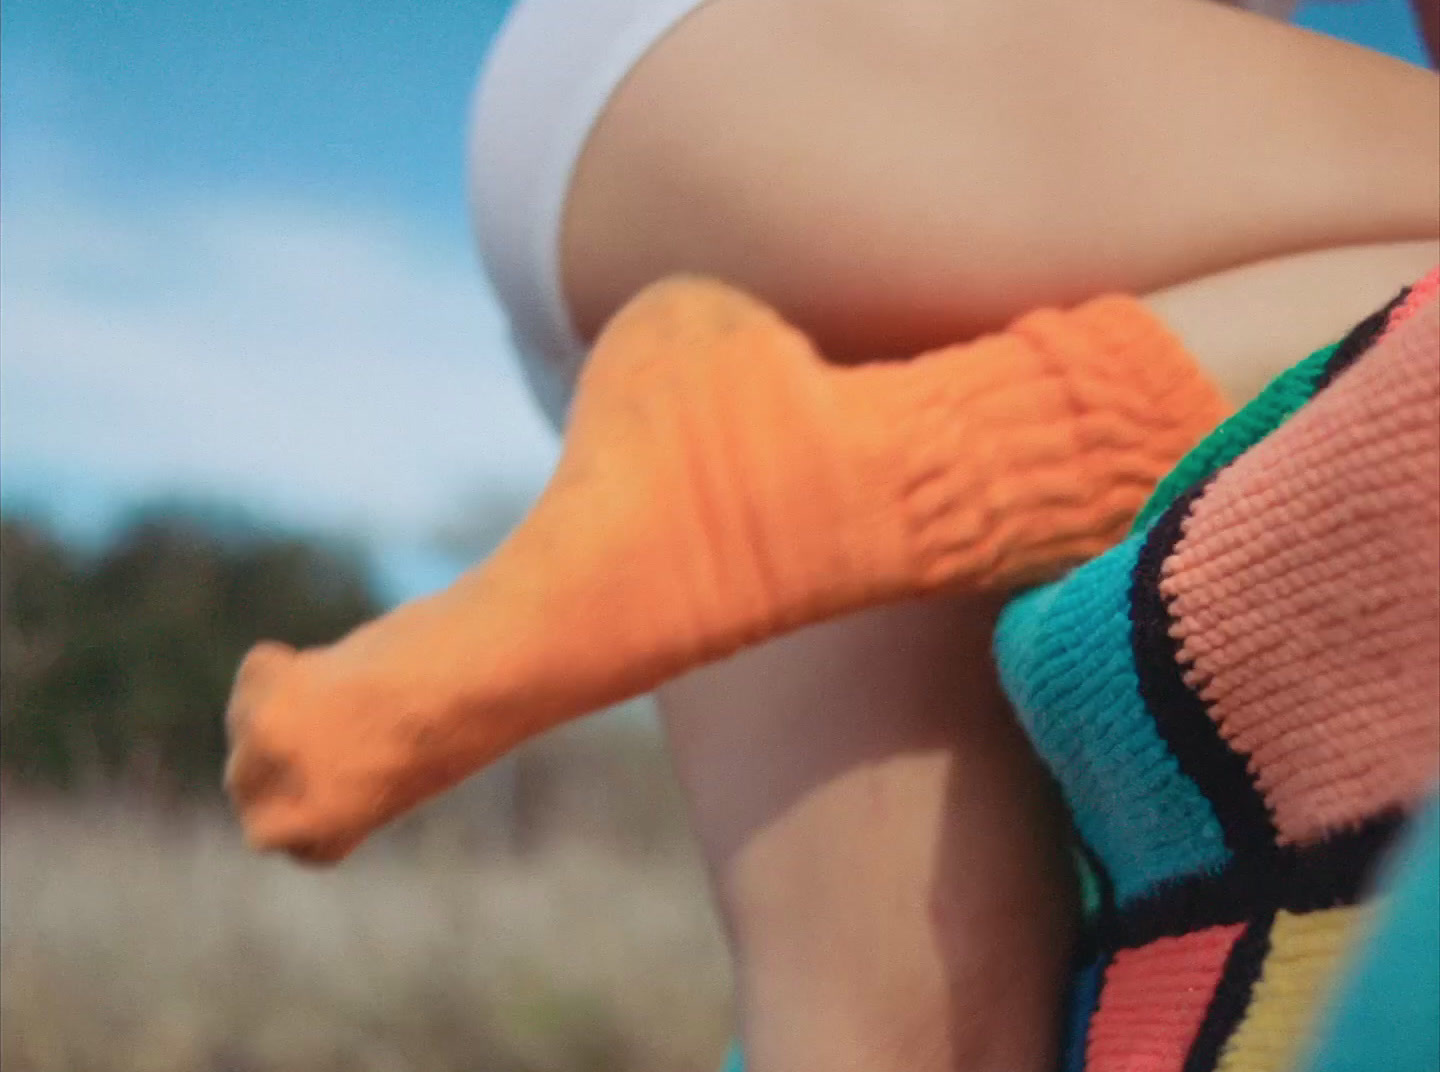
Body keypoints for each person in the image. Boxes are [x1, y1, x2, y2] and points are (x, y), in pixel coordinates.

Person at [466, 2, 1438, 1069]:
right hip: (850, 72)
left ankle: (847, 469)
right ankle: (902, 459)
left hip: (719, 108)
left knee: (880, 1038)